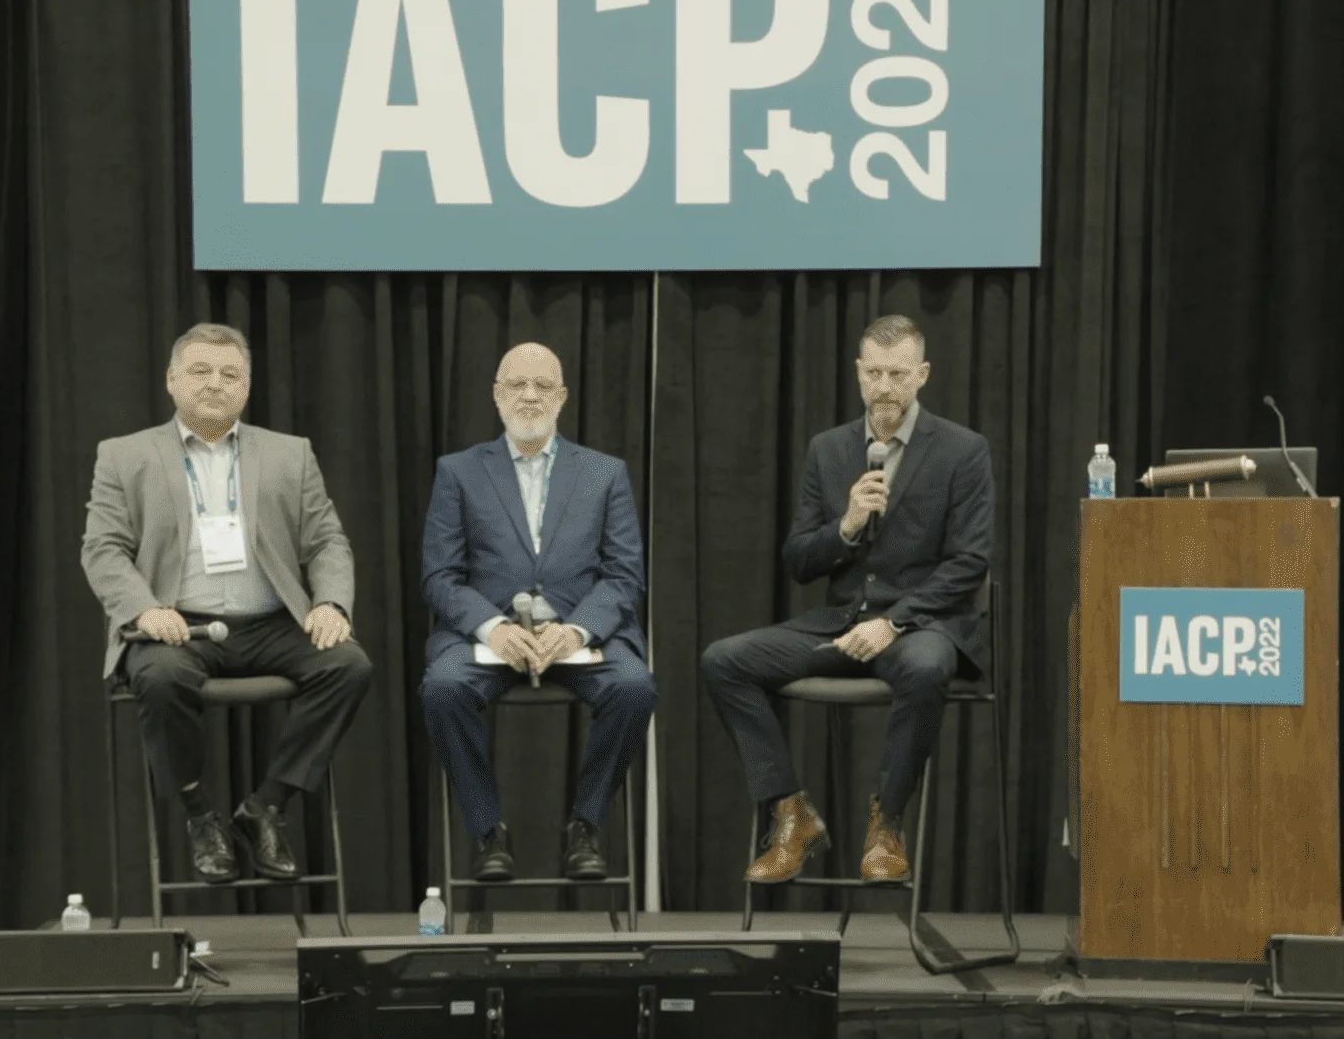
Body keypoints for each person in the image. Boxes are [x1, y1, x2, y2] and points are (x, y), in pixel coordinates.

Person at [699, 314, 994, 885]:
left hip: (920, 626)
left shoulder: (963, 450)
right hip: (839, 621)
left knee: (928, 667)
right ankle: (791, 812)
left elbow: (970, 563)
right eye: (875, 373)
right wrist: (847, 525)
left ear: (922, 374)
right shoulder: (829, 450)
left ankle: (887, 825)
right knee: (723, 660)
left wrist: (895, 624)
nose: (885, 386)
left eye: (898, 374)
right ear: (859, 374)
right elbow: (799, 560)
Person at [82, 322, 373, 884]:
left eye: (230, 374)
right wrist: (144, 611)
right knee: (160, 678)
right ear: (171, 380)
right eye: (200, 371)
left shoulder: (291, 454)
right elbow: (104, 548)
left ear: (246, 386)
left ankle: (266, 806)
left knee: (349, 665)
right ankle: (201, 815)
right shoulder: (124, 455)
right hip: (178, 625)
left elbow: (327, 541)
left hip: (270, 622)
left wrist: (331, 604)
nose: (216, 383)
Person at [420, 343, 654, 883]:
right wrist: (494, 628)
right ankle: (487, 832)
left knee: (634, 687)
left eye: (543, 385)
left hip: (579, 631)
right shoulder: (457, 472)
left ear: (563, 396)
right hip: (490, 633)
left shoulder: (604, 472)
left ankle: (585, 827)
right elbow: (440, 576)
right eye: (517, 385)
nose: (530, 396)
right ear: (497, 394)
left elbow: (625, 576)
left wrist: (576, 631)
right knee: (444, 688)